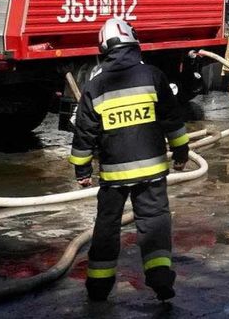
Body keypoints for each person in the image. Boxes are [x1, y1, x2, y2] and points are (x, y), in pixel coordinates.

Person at [70, 18, 191, 302]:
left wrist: (82, 170)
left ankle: (98, 288)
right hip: (152, 172)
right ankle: (161, 278)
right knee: (155, 224)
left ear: (104, 49)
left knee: (106, 228)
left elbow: (84, 134)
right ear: (133, 43)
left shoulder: (94, 87)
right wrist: (182, 153)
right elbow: (172, 120)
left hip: (112, 178)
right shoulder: (153, 76)